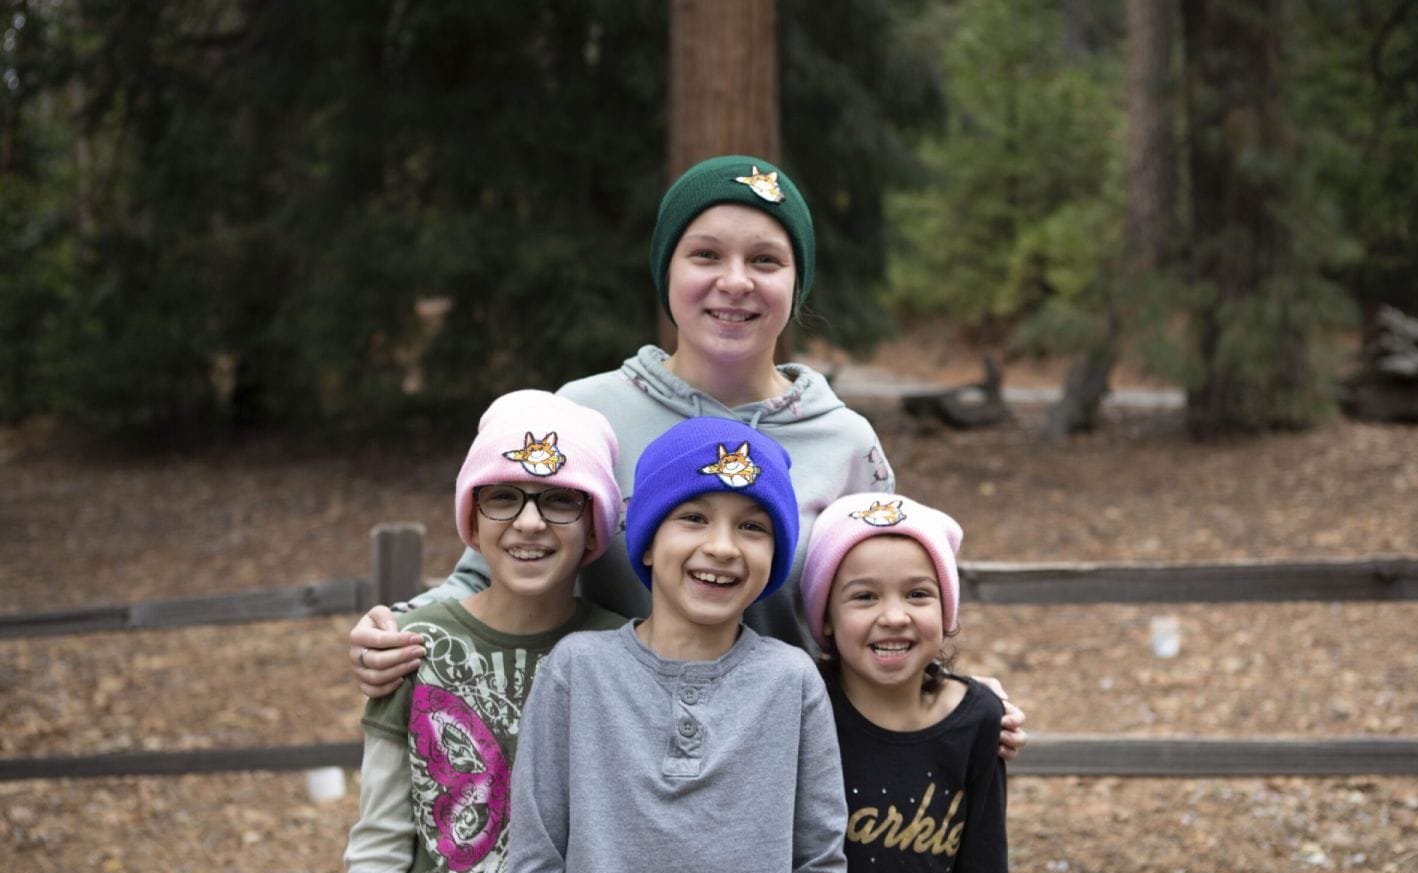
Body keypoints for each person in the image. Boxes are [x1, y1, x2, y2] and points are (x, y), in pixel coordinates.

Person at [345, 153, 1028, 749]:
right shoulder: (583, 412)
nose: (736, 281)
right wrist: (401, 630)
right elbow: (485, 575)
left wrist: (952, 698)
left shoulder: (845, 442)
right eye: (706, 254)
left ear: (798, 282)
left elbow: (880, 604)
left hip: (774, 770)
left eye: (766, 259)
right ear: (666, 269)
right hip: (597, 764)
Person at [501, 417, 847, 873]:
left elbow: (819, 863)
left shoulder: (793, 683)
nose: (721, 546)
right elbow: (536, 866)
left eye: (753, 527)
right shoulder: (578, 672)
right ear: (648, 535)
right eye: (693, 517)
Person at [329, 390, 625, 873]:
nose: (530, 521)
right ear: (472, 517)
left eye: (561, 500)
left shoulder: (622, 655)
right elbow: (382, 838)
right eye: (503, 496)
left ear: (596, 523)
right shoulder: (416, 648)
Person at [800, 492, 1018, 873]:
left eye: (918, 594)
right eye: (864, 597)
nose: (894, 616)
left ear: (947, 611)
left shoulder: (975, 723)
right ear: (825, 618)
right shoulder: (802, 710)